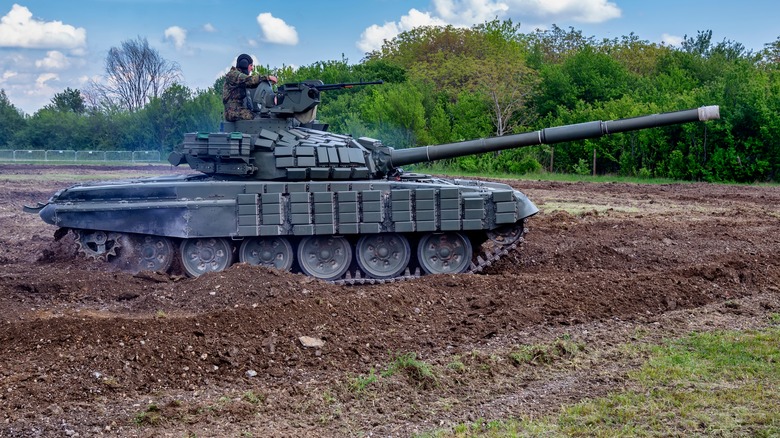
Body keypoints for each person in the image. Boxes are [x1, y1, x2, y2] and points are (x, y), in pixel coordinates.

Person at [222, 53, 278, 121]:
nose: (252, 68)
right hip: (232, 112)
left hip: (238, 110)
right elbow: (249, 80)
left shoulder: (239, 78)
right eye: (251, 65)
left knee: (261, 116)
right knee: (256, 118)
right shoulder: (233, 74)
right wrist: (267, 77)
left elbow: (253, 85)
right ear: (244, 65)